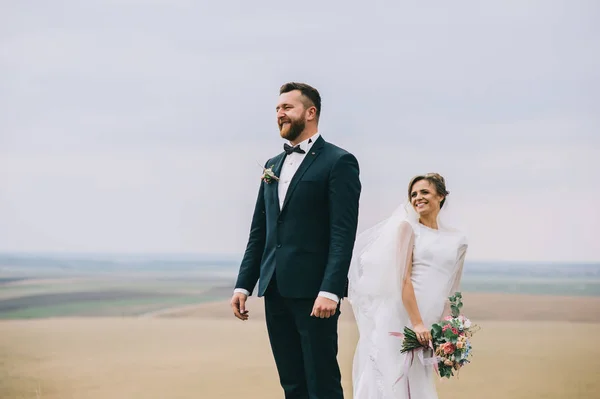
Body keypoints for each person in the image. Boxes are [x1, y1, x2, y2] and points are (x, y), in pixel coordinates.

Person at [230, 82, 361, 399]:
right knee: (292, 382)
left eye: (287, 107)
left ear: (310, 112)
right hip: (274, 288)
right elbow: (259, 231)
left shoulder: (338, 162)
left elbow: (343, 233)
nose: (280, 114)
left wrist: (331, 289)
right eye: (277, 109)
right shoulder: (272, 165)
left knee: (322, 381)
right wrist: (243, 284)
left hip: (316, 294)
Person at [348, 173, 468, 398]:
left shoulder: (458, 240)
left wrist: (448, 328)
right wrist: (417, 323)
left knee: (418, 378)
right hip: (402, 315)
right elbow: (403, 279)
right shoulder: (408, 229)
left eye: (424, 192)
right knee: (390, 375)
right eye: (413, 194)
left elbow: (453, 289)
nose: (417, 198)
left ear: (440, 196)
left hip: (430, 320)